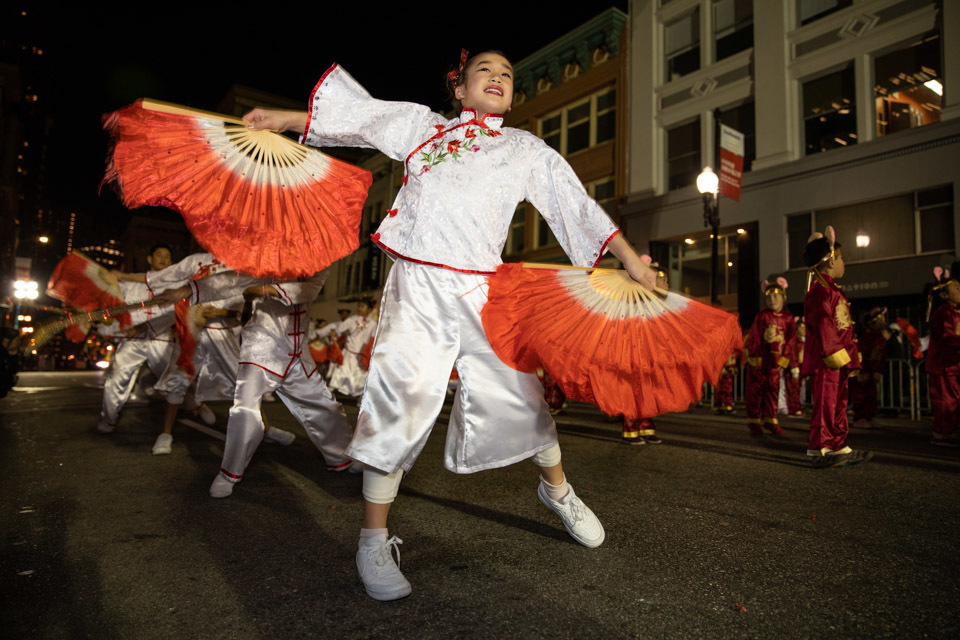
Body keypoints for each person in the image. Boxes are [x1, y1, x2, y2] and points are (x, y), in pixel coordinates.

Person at [242, 49, 656, 601]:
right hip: (418, 285)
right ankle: (372, 538)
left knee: (522, 395)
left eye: (508, 74)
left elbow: (573, 205)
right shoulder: (421, 126)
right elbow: (361, 118)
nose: (499, 78)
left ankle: (558, 492)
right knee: (399, 398)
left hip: (485, 289)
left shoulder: (525, 149)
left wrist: (628, 257)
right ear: (459, 89)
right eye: (485, 70)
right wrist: (285, 119)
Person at [156, 268, 357, 497]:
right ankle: (229, 473)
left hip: (297, 353)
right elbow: (228, 281)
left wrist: (264, 289)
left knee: (325, 406)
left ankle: (342, 457)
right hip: (260, 347)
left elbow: (307, 291)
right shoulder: (265, 261)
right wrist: (186, 290)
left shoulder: (318, 263)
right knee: (245, 409)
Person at [97, 244, 186, 434]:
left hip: (160, 341)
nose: (162, 259)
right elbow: (111, 305)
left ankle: (194, 404)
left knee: (177, 379)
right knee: (117, 377)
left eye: (166, 257)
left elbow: (175, 313)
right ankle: (109, 419)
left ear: (171, 263)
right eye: (158, 255)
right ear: (149, 259)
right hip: (132, 341)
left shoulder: (175, 287)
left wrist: (146, 326)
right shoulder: (129, 284)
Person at [802, 229, 870, 467]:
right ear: (831, 261)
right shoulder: (820, 291)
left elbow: (843, 328)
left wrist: (851, 358)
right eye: (841, 259)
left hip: (839, 360)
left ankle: (838, 445)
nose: (844, 264)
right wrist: (838, 357)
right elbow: (824, 325)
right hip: (828, 360)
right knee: (826, 404)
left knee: (838, 403)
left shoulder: (831, 289)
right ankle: (822, 448)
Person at [622, 258, 668, 445]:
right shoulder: (633, 300)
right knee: (632, 391)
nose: (665, 283)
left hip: (651, 355)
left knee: (650, 392)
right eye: (661, 278)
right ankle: (630, 430)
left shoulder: (659, 304)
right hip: (633, 353)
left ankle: (647, 427)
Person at [743, 278, 795, 437]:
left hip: (775, 363)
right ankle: (754, 422)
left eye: (775, 296)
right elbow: (755, 337)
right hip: (760, 362)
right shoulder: (762, 316)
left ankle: (771, 421)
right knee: (755, 392)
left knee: (773, 391)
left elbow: (791, 340)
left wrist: (785, 359)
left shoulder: (788, 318)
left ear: (783, 297)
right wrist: (755, 356)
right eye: (768, 297)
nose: (772, 299)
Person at [925, 267, 960, 447]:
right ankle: (942, 434)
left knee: (953, 400)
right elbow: (948, 337)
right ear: (945, 295)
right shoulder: (944, 312)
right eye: (956, 288)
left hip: (952, 365)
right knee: (945, 401)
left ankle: (950, 432)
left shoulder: (954, 312)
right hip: (943, 365)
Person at [319, 297, 378, 397]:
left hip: (361, 355)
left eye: (362, 306)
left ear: (369, 309)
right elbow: (341, 328)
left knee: (360, 376)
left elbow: (374, 338)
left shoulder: (373, 324)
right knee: (341, 371)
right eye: (359, 306)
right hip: (348, 352)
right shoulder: (352, 319)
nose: (360, 308)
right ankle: (328, 394)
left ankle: (361, 397)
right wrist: (335, 332)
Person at [851, 308, 889, 429]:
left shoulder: (880, 338)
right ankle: (860, 417)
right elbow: (861, 354)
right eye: (879, 320)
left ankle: (869, 416)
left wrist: (878, 371)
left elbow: (880, 357)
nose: (883, 323)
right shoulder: (865, 338)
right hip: (863, 371)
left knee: (871, 395)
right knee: (861, 395)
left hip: (872, 371)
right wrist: (862, 371)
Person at [784, 318, 806, 417]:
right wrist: (794, 367)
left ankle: (797, 407)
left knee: (798, 388)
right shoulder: (794, 339)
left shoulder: (803, 339)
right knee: (793, 388)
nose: (804, 330)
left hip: (801, 367)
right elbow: (792, 353)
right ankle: (793, 409)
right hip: (794, 367)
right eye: (802, 328)